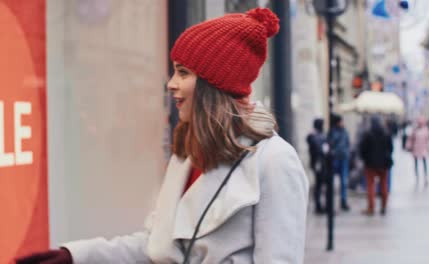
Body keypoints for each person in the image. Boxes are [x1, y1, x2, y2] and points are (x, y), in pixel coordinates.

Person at [16, 8, 309, 264]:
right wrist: (76, 256)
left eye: (183, 73)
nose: (170, 84)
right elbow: (156, 246)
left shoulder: (274, 162)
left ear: (213, 83)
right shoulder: (188, 153)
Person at [359, 116, 393, 216]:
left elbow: (362, 149)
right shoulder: (386, 133)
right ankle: (383, 206)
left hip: (371, 164)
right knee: (383, 185)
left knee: (371, 186)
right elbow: (390, 148)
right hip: (384, 164)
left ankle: (371, 207)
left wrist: (366, 158)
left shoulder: (368, 134)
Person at [328, 113, 351, 211]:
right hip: (335, 158)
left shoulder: (345, 131)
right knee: (331, 180)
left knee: (343, 181)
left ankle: (343, 201)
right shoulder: (333, 132)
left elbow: (347, 143)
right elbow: (330, 143)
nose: (343, 123)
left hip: (344, 158)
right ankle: (331, 201)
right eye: (341, 121)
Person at [306, 118, 328, 214]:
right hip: (319, 163)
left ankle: (320, 205)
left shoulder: (316, 135)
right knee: (319, 185)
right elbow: (319, 149)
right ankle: (318, 206)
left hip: (319, 163)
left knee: (320, 185)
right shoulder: (315, 136)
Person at [406, 116, 429, 186]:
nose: (420, 123)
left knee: (424, 164)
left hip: (423, 149)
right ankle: (417, 176)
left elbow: (428, 140)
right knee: (416, 164)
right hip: (416, 149)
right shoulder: (415, 130)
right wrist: (409, 146)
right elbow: (410, 139)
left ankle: (425, 177)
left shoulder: (426, 130)